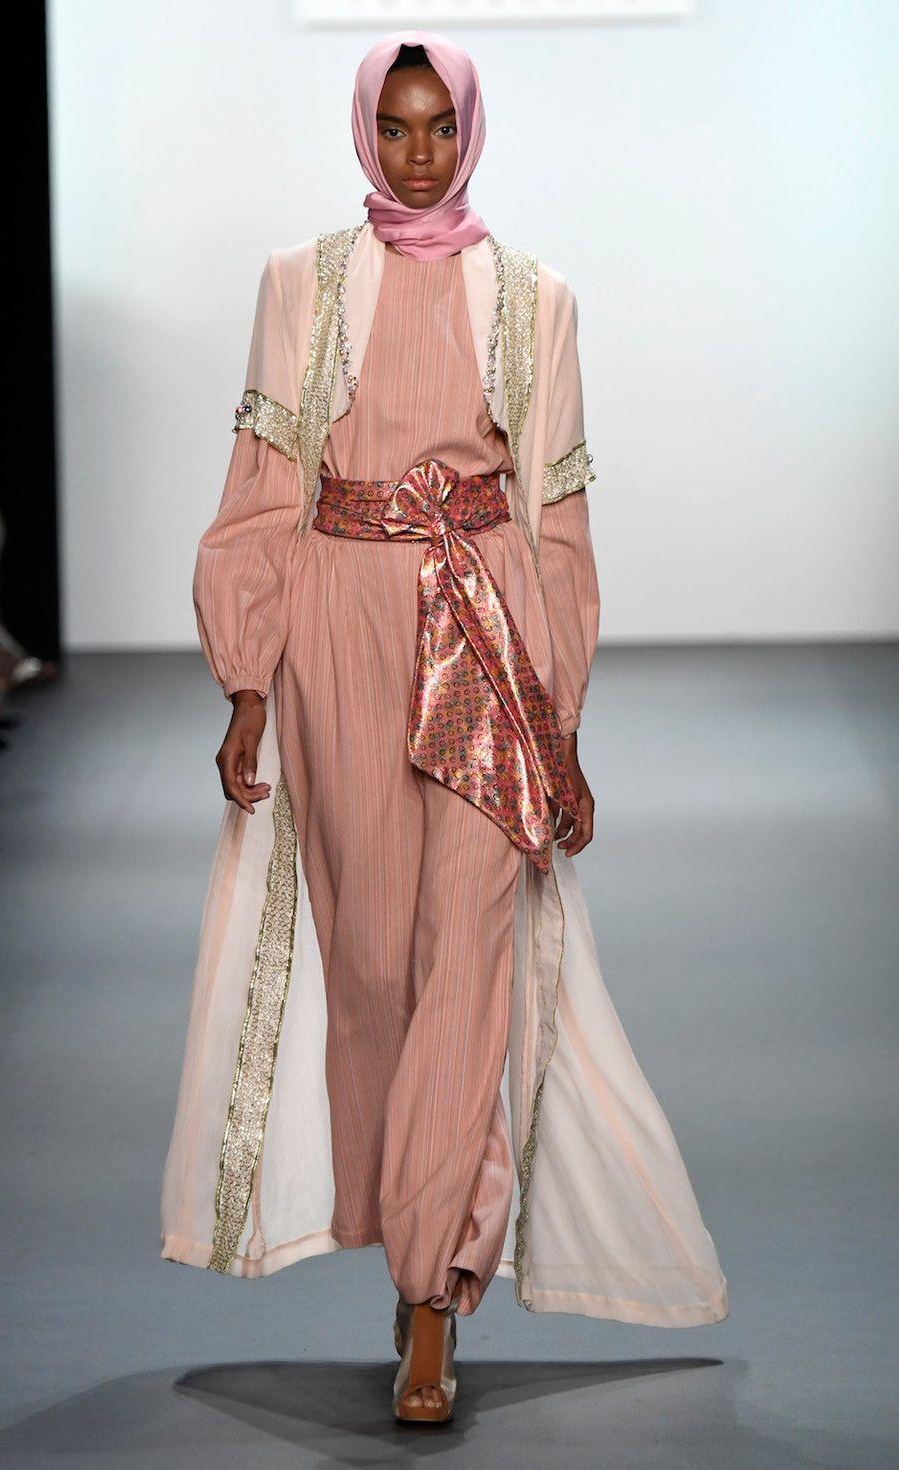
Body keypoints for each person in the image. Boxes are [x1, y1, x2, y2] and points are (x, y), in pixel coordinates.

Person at [160, 30, 728, 1425]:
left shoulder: (536, 299)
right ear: (368, 133)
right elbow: (262, 486)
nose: (420, 154)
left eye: (440, 129)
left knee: (465, 959)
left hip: (480, 631)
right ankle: (414, 1245)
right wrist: (245, 683)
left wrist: (565, 717)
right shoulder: (303, 286)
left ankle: (432, 1298)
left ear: (471, 132)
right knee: (374, 967)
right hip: (341, 633)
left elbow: (559, 521)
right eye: (397, 129)